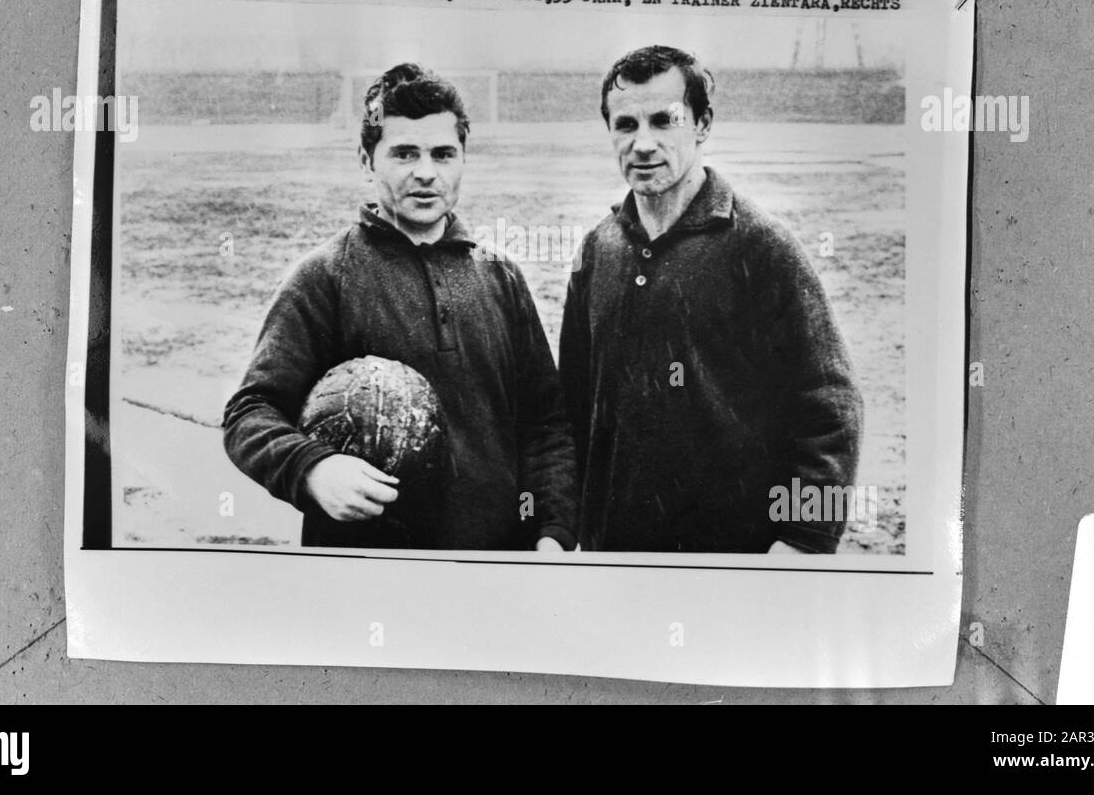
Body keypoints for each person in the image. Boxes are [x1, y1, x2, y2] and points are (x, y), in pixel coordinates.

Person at [223, 64, 578, 551]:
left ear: (462, 160)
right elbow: (250, 412)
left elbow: (544, 424)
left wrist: (551, 531)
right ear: (367, 162)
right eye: (404, 153)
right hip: (367, 571)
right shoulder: (325, 276)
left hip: (499, 570)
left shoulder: (501, 275)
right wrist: (313, 469)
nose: (426, 172)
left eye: (443, 153)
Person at [558, 45, 862, 554]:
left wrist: (804, 542)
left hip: (735, 564)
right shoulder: (598, 250)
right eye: (626, 124)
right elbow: (570, 406)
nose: (643, 143)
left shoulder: (763, 247)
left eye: (664, 121)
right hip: (616, 561)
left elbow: (830, 406)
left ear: (702, 125)